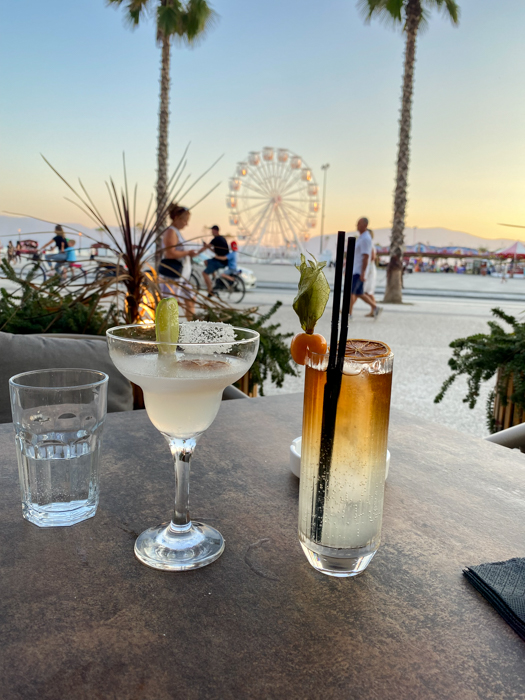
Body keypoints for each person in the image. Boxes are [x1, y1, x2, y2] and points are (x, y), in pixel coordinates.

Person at [158, 204, 202, 320]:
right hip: (173, 275)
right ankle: (169, 334)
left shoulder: (176, 232)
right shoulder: (171, 232)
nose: (186, 224)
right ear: (177, 217)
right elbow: (170, 253)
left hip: (181, 276)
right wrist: (187, 253)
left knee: (190, 299)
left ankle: (191, 330)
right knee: (170, 305)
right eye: (185, 220)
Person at [349, 218, 382, 319]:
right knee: (359, 293)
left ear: (365, 225)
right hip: (357, 269)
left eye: (359, 223)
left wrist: (363, 272)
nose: (356, 225)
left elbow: (366, 256)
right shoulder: (362, 238)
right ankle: (375, 307)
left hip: (359, 271)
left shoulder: (366, 239)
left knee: (352, 292)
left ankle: (348, 313)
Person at [202, 225, 229, 297]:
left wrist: (197, 252)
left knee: (204, 273)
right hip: (221, 260)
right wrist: (208, 247)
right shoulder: (221, 238)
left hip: (221, 261)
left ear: (216, 231)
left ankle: (210, 291)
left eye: (212, 231)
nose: (211, 232)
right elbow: (215, 250)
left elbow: (207, 247)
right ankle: (214, 278)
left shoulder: (216, 239)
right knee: (206, 262)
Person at [363, 230, 378, 316]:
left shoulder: (370, 243)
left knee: (367, 291)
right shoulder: (369, 243)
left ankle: (374, 309)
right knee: (367, 291)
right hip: (369, 269)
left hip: (369, 270)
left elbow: (372, 257)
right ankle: (374, 309)